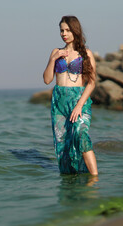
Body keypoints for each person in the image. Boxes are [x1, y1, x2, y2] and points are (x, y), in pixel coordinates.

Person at [43, 15, 98, 175]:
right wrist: (53, 59)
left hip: (78, 100)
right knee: (63, 144)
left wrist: (79, 105)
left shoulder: (86, 53)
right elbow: (47, 80)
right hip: (59, 102)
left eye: (67, 30)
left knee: (81, 136)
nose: (64, 33)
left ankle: (94, 179)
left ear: (75, 30)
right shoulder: (56, 52)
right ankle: (71, 184)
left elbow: (92, 83)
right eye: (61, 30)